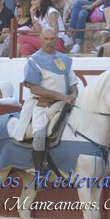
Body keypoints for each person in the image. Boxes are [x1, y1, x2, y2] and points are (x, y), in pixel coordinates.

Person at [13, 25, 76, 174]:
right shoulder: (33, 60)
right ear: (40, 39)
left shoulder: (64, 59)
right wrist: (61, 96)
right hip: (42, 106)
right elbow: (34, 89)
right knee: (40, 135)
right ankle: (39, 171)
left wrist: (73, 94)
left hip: (65, 105)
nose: (49, 42)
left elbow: (73, 83)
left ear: (56, 39)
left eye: (52, 39)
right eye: (46, 38)